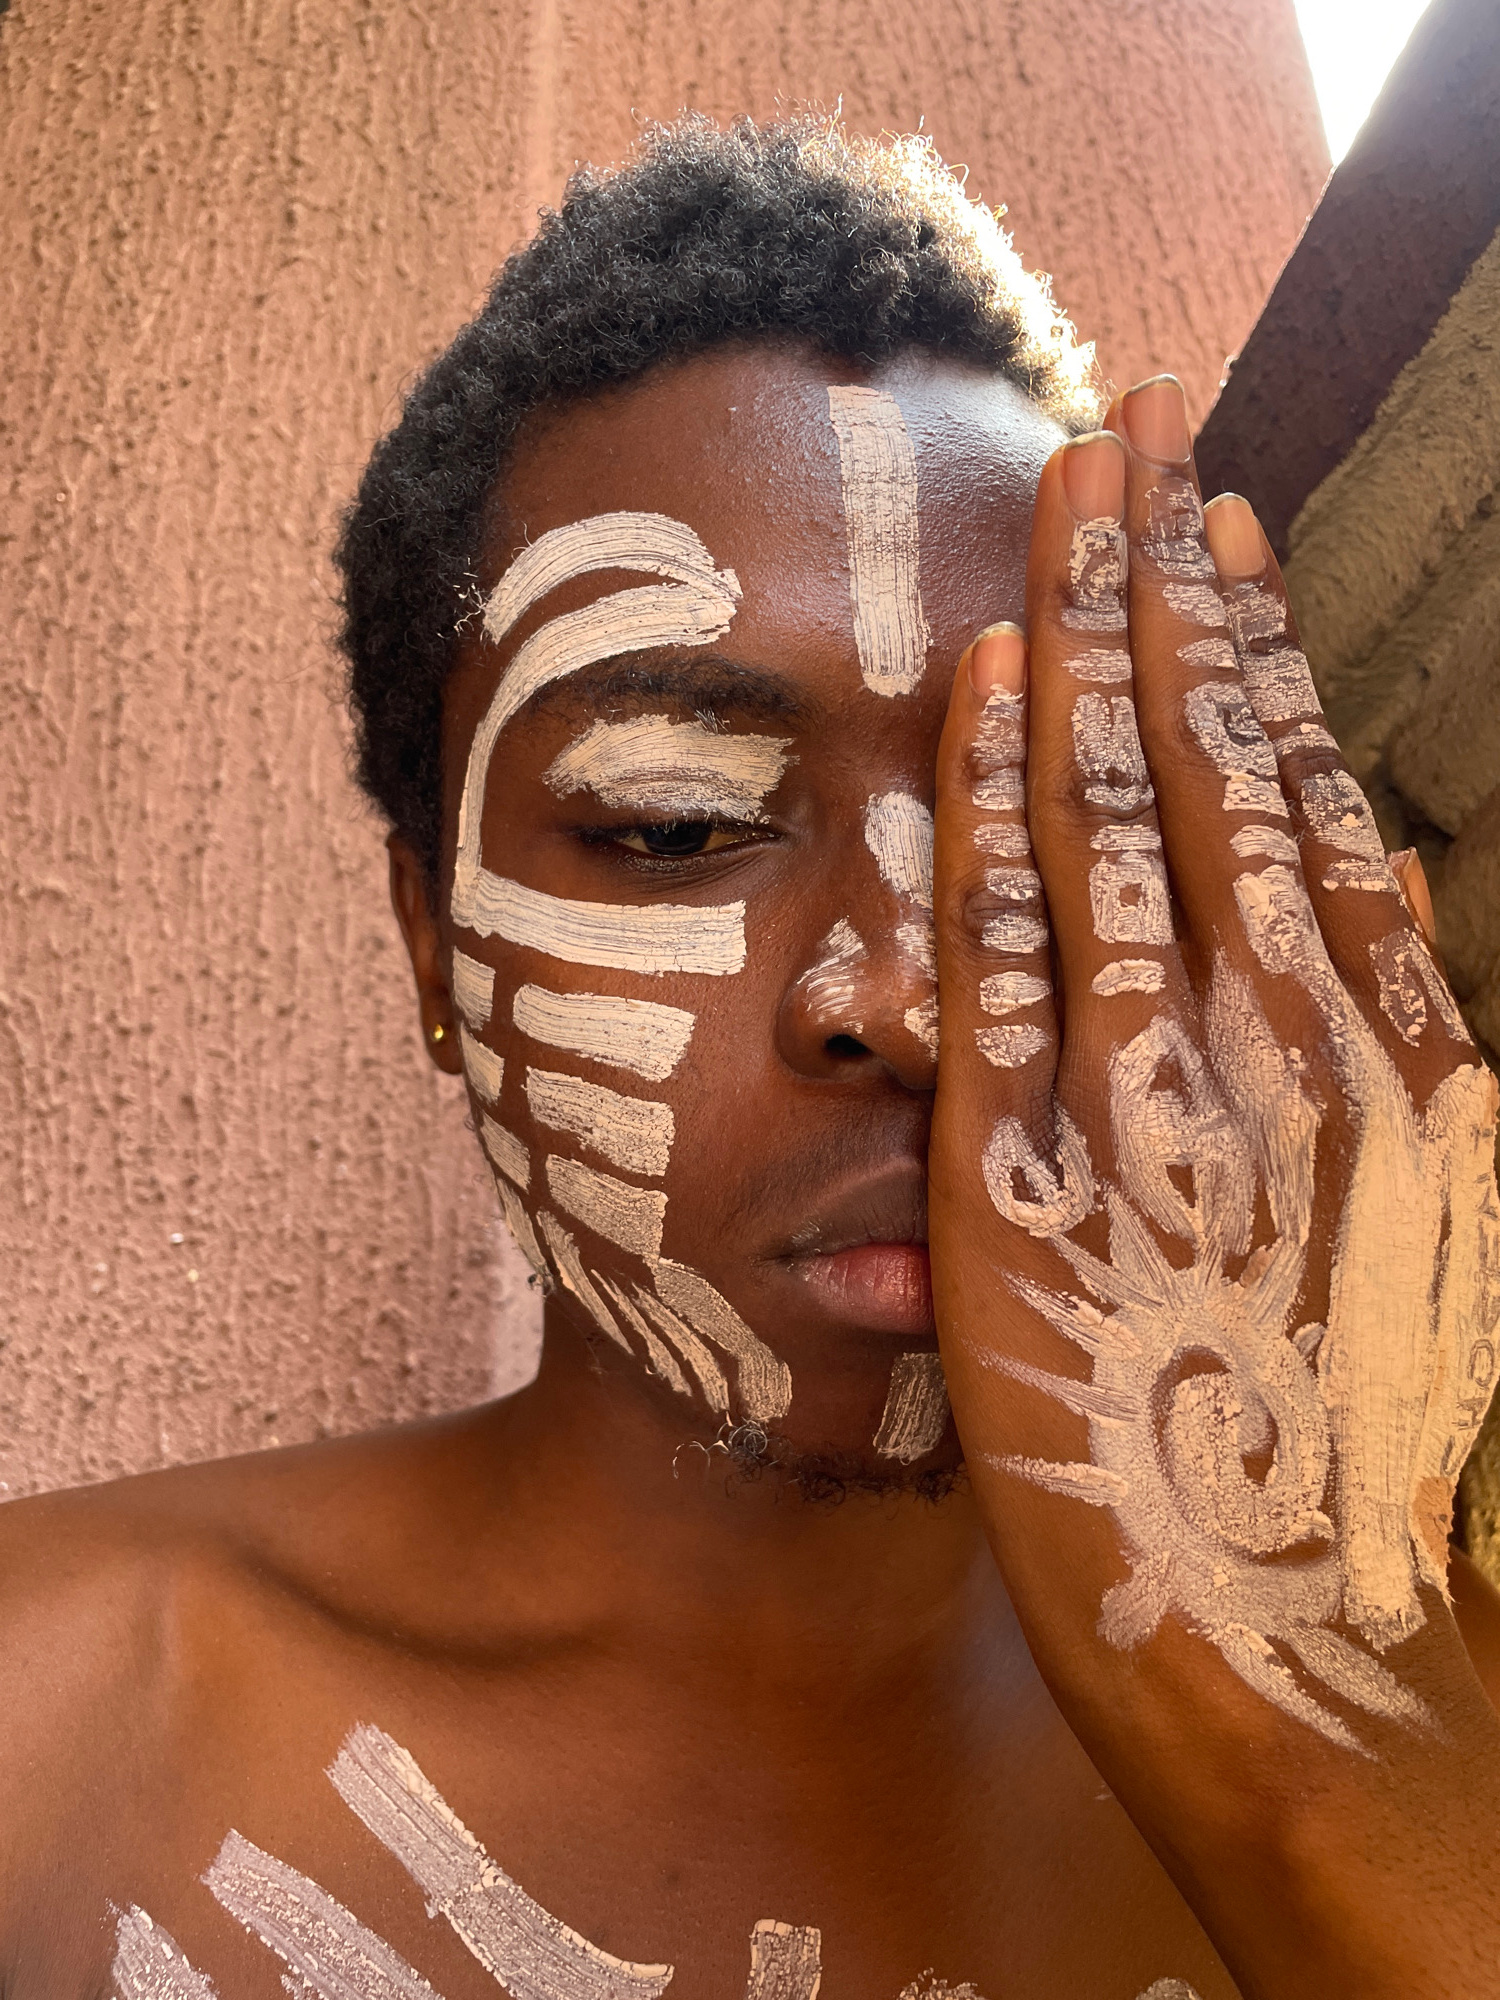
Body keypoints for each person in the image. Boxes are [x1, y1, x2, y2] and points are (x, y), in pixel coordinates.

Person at [3, 115, 1499, 2000]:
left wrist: (1325, 1749)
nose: (909, 999)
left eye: (1028, 829)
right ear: (430, 944)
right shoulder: (50, 1730)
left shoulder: (1443, 1730)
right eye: (679, 822)